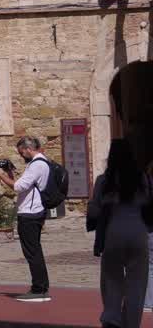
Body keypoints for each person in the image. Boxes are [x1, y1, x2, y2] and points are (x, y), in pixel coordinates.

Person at [88, 139, 151, 328]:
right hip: (139, 233)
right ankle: (132, 323)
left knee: (111, 280)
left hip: (113, 233)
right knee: (137, 284)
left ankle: (112, 317)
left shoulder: (103, 180)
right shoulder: (143, 179)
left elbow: (94, 212)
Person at [0, 136, 53, 302]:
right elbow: (24, 185)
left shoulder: (36, 165)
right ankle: (40, 286)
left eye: (21, 152)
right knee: (35, 251)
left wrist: (0, 174)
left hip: (30, 214)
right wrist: (10, 173)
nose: (21, 156)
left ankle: (39, 289)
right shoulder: (41, 163)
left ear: (28, 149)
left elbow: (18, 187)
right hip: (35, 212)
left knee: (32, 252)